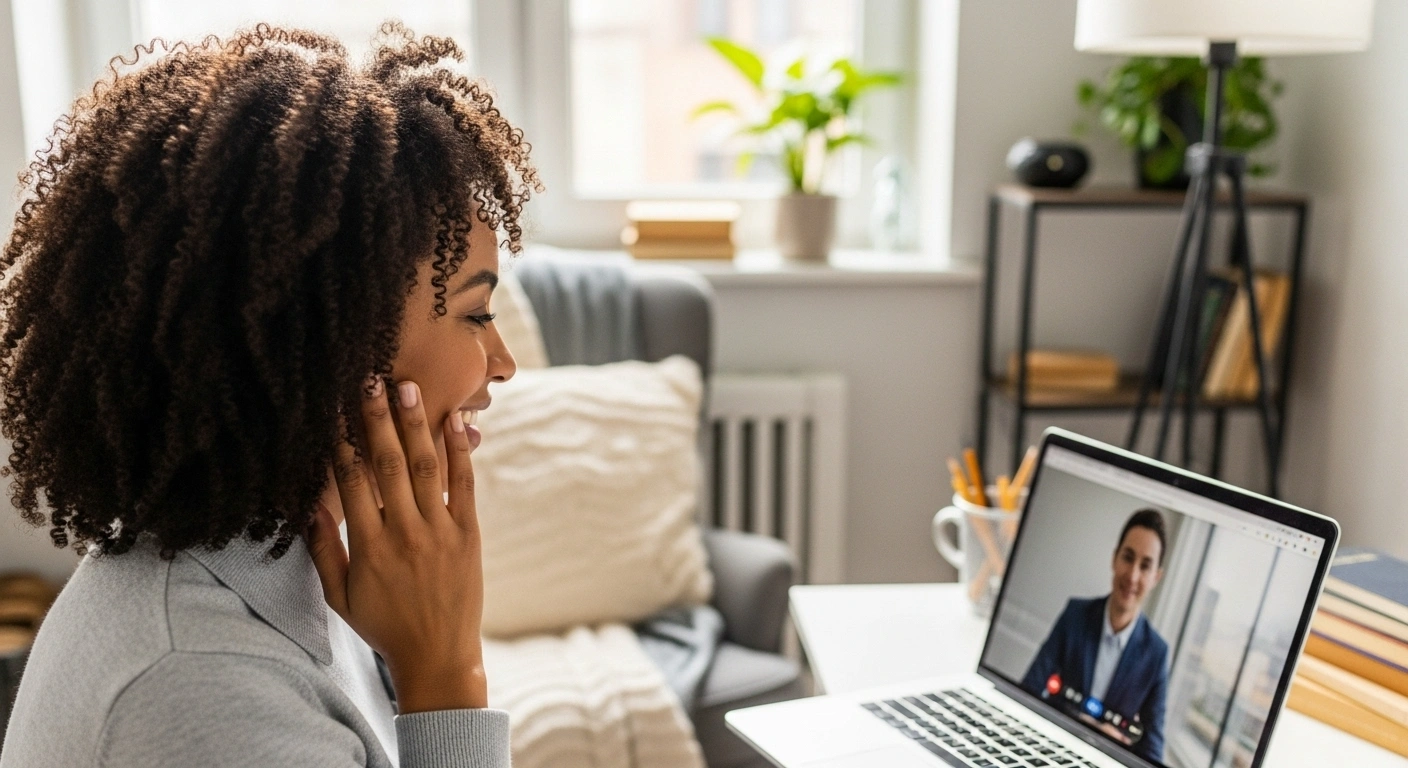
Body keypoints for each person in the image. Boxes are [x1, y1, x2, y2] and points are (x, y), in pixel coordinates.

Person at [0, 23, 538, 767]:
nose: (502, 363)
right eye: (476, 315)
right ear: (332, 341)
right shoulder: (200, 690)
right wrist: (447, 678)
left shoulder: (279, 559)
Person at [1020, 509, 1170, 762]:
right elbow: (1028, 691)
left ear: (1156, 577)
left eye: (1145, 566)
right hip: (1052, 749)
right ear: (1114, 559)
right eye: (1128, 557)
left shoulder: (1157, 652)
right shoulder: (1075, 614)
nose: (1132, 576)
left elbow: (1152, 752)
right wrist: (1088, 729)